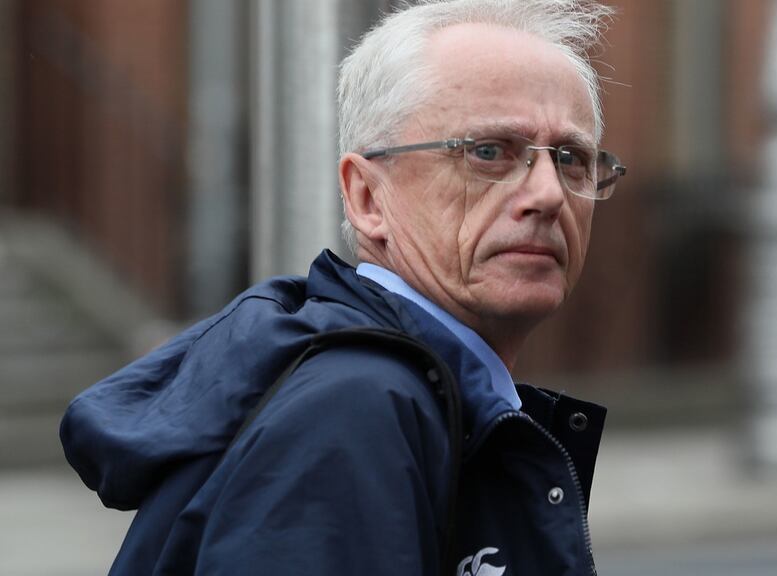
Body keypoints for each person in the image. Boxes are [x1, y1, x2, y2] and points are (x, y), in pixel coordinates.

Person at [60, 0, 626, 574]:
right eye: (487, 152)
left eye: (571, 158)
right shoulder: (352, 411)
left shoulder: (415, 397)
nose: (550, 194)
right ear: (366, 198)